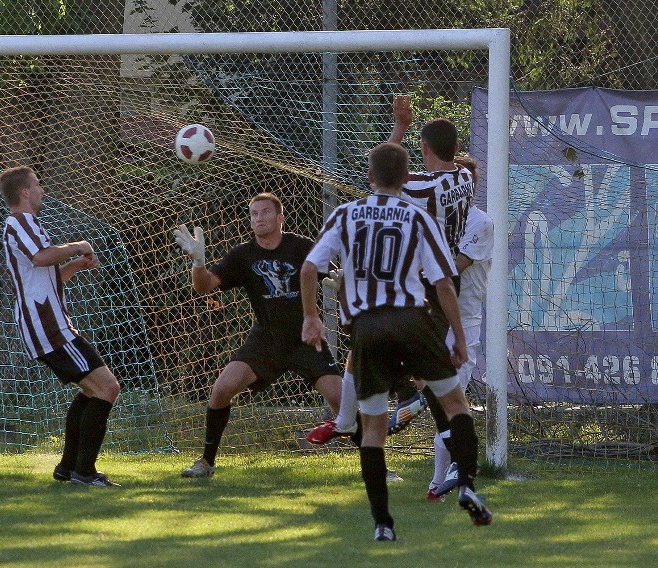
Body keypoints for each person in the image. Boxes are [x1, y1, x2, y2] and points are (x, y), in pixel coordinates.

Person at [301, 142, 493, 541]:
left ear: (369, 178)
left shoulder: (345, 214)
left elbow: (309, 267)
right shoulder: (417, 216)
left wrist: (311, 317)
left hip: (367, 328)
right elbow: (442, 283)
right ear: (407, 179)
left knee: (372, 429)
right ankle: (468, 487)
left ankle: (383, 524)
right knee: (456, 404)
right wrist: (457, 337)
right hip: (412, 321)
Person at [307, 94, 474, 445]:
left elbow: (386, 171)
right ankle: (344, 419)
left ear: (425, 150)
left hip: (429, 281)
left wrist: (399, 129)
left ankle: (410, 395)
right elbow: (391, 170)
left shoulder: (424, 187)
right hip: (442, 276)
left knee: (400, 351)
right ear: (456, 148)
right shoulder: (463, 178)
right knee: (362, 347)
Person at [173, 192, 345, 478]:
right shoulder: (243, 255)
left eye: (265, 212)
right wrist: (198, 262)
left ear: (280, 217)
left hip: (305, 338)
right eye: (254, 214)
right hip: (266, 341)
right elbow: (204, 287)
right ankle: (206, 462)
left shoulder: (300, 246)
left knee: (342, 400)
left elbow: (332, 273)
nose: (259, 218)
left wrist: (342, 283)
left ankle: (379, 466)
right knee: (221, 390)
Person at [0, 165, 121, 487]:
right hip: (47, 326)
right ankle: (84, 471)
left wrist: (74, 265)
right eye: (37, 185)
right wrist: (79, 246)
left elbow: (47, 276)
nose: (42, 190)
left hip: (50, 324)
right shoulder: (18, 222)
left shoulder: (28, 225)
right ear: (24, 192)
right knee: (107, 388)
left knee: (91, 390)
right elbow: (41, 258)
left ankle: (69, 468)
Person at [428, 157, 494, 501]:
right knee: (440, 400)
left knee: (452, 400)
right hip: (426, 318)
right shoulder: (432, 218)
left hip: (462, 324)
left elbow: (452, 269)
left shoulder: (480, 222)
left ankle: (439, 482)